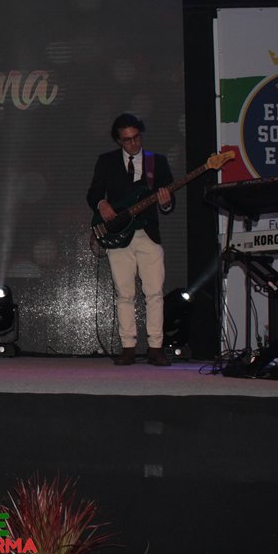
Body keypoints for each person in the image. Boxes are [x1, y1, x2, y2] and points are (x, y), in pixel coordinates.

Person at [86, 114, 174, 366]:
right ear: (118, 140)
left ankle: (156, 347)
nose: (133, 143)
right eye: (127, 140)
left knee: (154, 292)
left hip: (148, 233)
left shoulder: (157, 161)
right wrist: (102, 204)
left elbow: (169, 199)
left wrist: (166, 202)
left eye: (136, 138)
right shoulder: (106, 161)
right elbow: (93, 192)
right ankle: (128, 347)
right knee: (124, 293)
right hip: (117, 233)